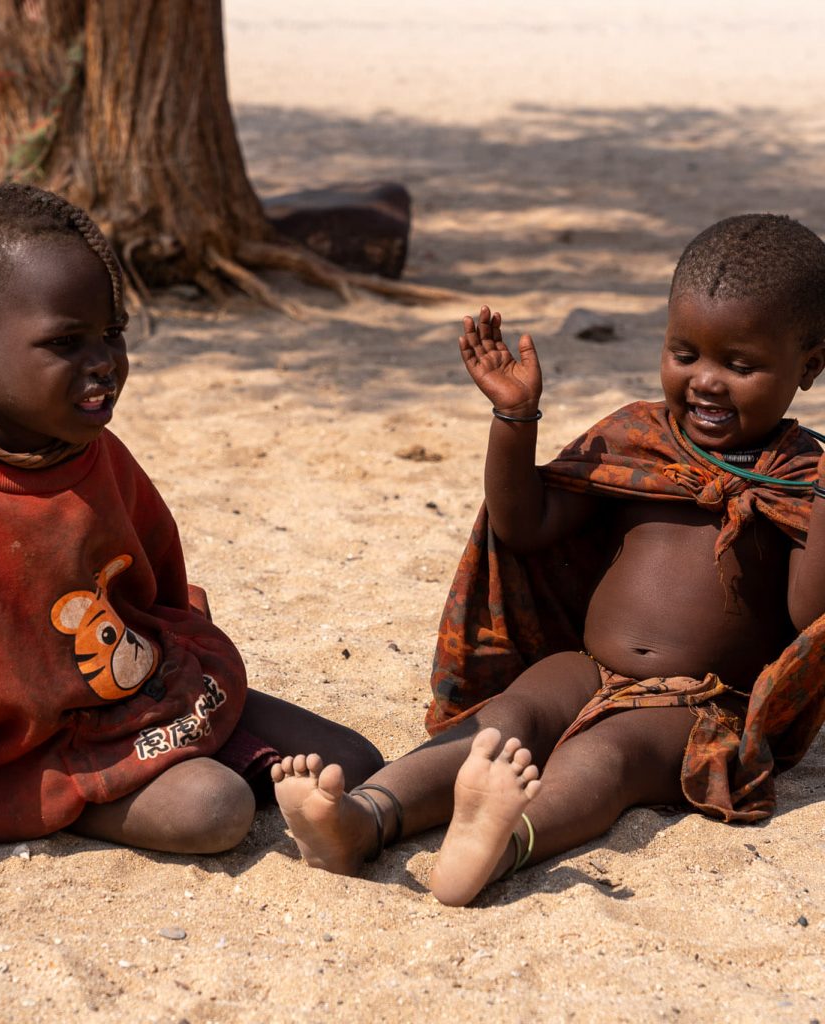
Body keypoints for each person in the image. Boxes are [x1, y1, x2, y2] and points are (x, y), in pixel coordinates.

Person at [0, 183, 382, 868]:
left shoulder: (91, 448)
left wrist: (181, 664)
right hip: (30, 755)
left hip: (139, 695)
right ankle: (217, 775)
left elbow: (155, 572)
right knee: (215, 809)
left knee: (358, 759)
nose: (103, 362)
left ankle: (226, 762)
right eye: (66, 342)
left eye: (113, 334)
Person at [272, 213, 825, 905]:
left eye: (740, 366)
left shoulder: (804, 477)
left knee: (605, 757)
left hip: (698, 702)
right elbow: (525, 525)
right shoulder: (636, 435)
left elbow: (810, 620)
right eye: (686, 354)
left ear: (808, 366)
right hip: (586, 664)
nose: (706, 382)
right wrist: (515, 419)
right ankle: (363, 816)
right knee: (506, 718)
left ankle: (500, 845)